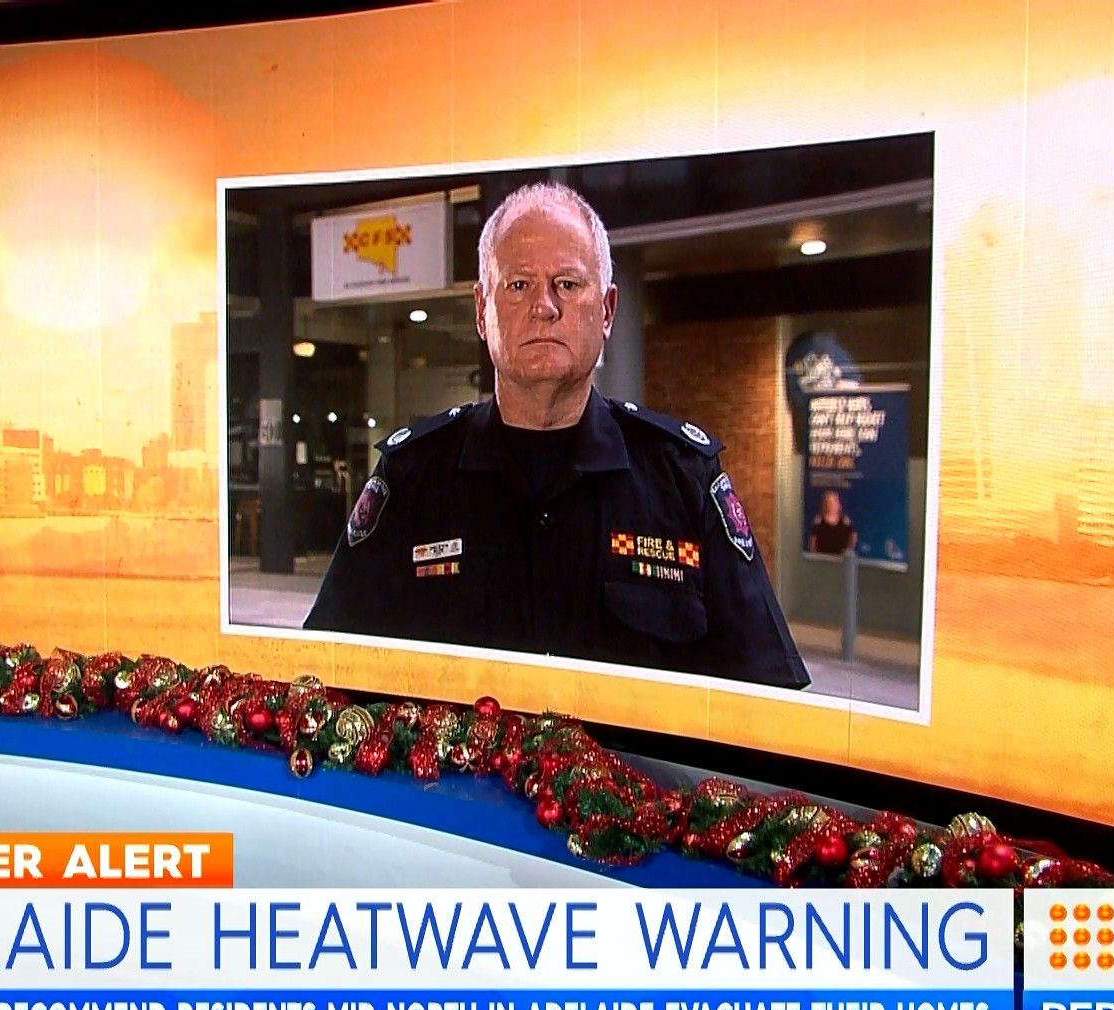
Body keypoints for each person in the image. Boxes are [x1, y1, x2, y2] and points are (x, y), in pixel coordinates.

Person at [304, 182, 808, 689]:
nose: (544, 307)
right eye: (518, 285)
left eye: (567, 284)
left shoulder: (682, 481)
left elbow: (769, 698)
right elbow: (325, 681)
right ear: (481, 311)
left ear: (607, 310)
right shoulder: (411, 478)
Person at [808, 490, 858, 555]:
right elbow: (813, 541)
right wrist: (814, 556)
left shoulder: (845, 520)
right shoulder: (818, 520)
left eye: (834, 502)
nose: (832, 505)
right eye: (829, 502)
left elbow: (853, 535)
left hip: (840, 558)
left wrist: (849, 550)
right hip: (823, 557)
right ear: (825, 504)